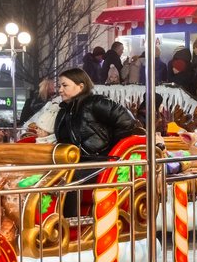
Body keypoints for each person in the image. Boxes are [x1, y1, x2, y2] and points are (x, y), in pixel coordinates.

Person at [53, 68, 141, 214]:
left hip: (98, 162)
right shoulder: (65, 110)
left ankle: (70, 223)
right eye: (59, 86)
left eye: (64, 85)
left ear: (81, 86)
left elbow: (127, 121)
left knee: (71, 177)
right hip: (76, 161)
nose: (60, 90)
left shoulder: (96, 102)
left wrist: (111, 148)